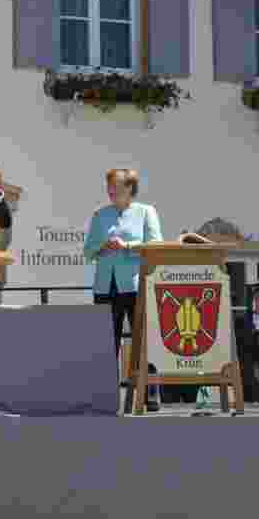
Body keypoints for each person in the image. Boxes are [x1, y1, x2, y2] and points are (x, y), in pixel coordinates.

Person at [82, 169, 163, 412]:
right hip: (105, 287)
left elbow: (156, 245)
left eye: (114, 185)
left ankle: (150, 395)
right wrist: (101, 247)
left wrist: (126, 245)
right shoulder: (99, 214)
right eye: (108, 185)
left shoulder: (146, 212)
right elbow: (87, 252)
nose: (109, 189)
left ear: (129, 187)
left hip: (135, 286)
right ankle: (106, 397)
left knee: (144, 341)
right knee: (106, 344)